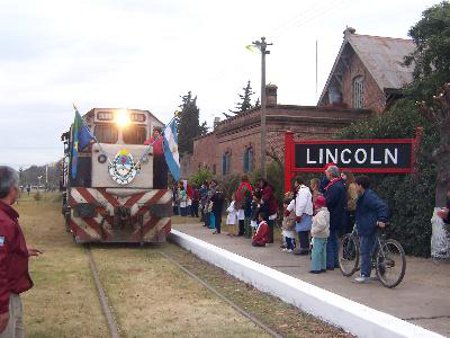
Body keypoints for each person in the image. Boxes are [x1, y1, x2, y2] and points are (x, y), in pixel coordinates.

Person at [0, 166, 42, 338]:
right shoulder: (2, 221)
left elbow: (5, 249)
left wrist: (22, 250)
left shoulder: (5, 217)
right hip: (5, 297)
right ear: (13, 189)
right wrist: (2, 309)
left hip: (10, 294)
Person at [354, 175, 389, 283]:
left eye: (356, 185)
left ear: (360, 186)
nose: (354, 187)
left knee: (365, 251)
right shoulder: (364, 195)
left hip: (369, 227)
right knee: (376, 251)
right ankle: (380, 273)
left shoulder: (368, 196)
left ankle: (365, 275)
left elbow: (382, 206)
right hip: (369, 225)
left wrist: (382, 219)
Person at [323, 165, 347, 270]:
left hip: (333, 215)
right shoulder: (340, 185)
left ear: (331, 173)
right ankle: (336, 261)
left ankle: (330, 263)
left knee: (330, 239)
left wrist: (323, 200)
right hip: (338, 215)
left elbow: (329, 201)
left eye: (327, 173)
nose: (326, 174)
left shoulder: (335, 186)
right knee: (334, 239)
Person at [293, 177, 313, 255]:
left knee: (302, 232)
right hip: (305, 213)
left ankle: (304, 249)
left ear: (297, 182)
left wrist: (298, 215)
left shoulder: (302, 191)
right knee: (304, 232)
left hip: (303, 213)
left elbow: (302, 203)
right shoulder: (304, 190)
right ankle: (305, 248)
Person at [310, 196, 330, 274]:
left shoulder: (320, 214)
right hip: (325, 234)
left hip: (319, 235)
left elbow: (321, 224)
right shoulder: (326, 212)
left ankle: (316, 268)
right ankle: (323, 266)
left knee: (316, 252)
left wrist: (314, 231)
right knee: (323, 252)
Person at [258, 178, 278, 243]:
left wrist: (262, 200)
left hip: (270, 208)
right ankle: (267, 238)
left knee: (269, 224)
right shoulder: (264, 189)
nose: (260, 184)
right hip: (268, 208)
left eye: (261, 182)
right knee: (268, 223)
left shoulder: (267, 188)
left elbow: (266, 198)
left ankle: (270, 239)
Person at [341, 170, 358, 235]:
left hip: (351, 210)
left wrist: (348, 205)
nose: (341, 177)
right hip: (348, 209)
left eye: (343, 175)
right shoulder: (346, 185)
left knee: (348, 228)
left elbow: (355, 198)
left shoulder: (351, 186)